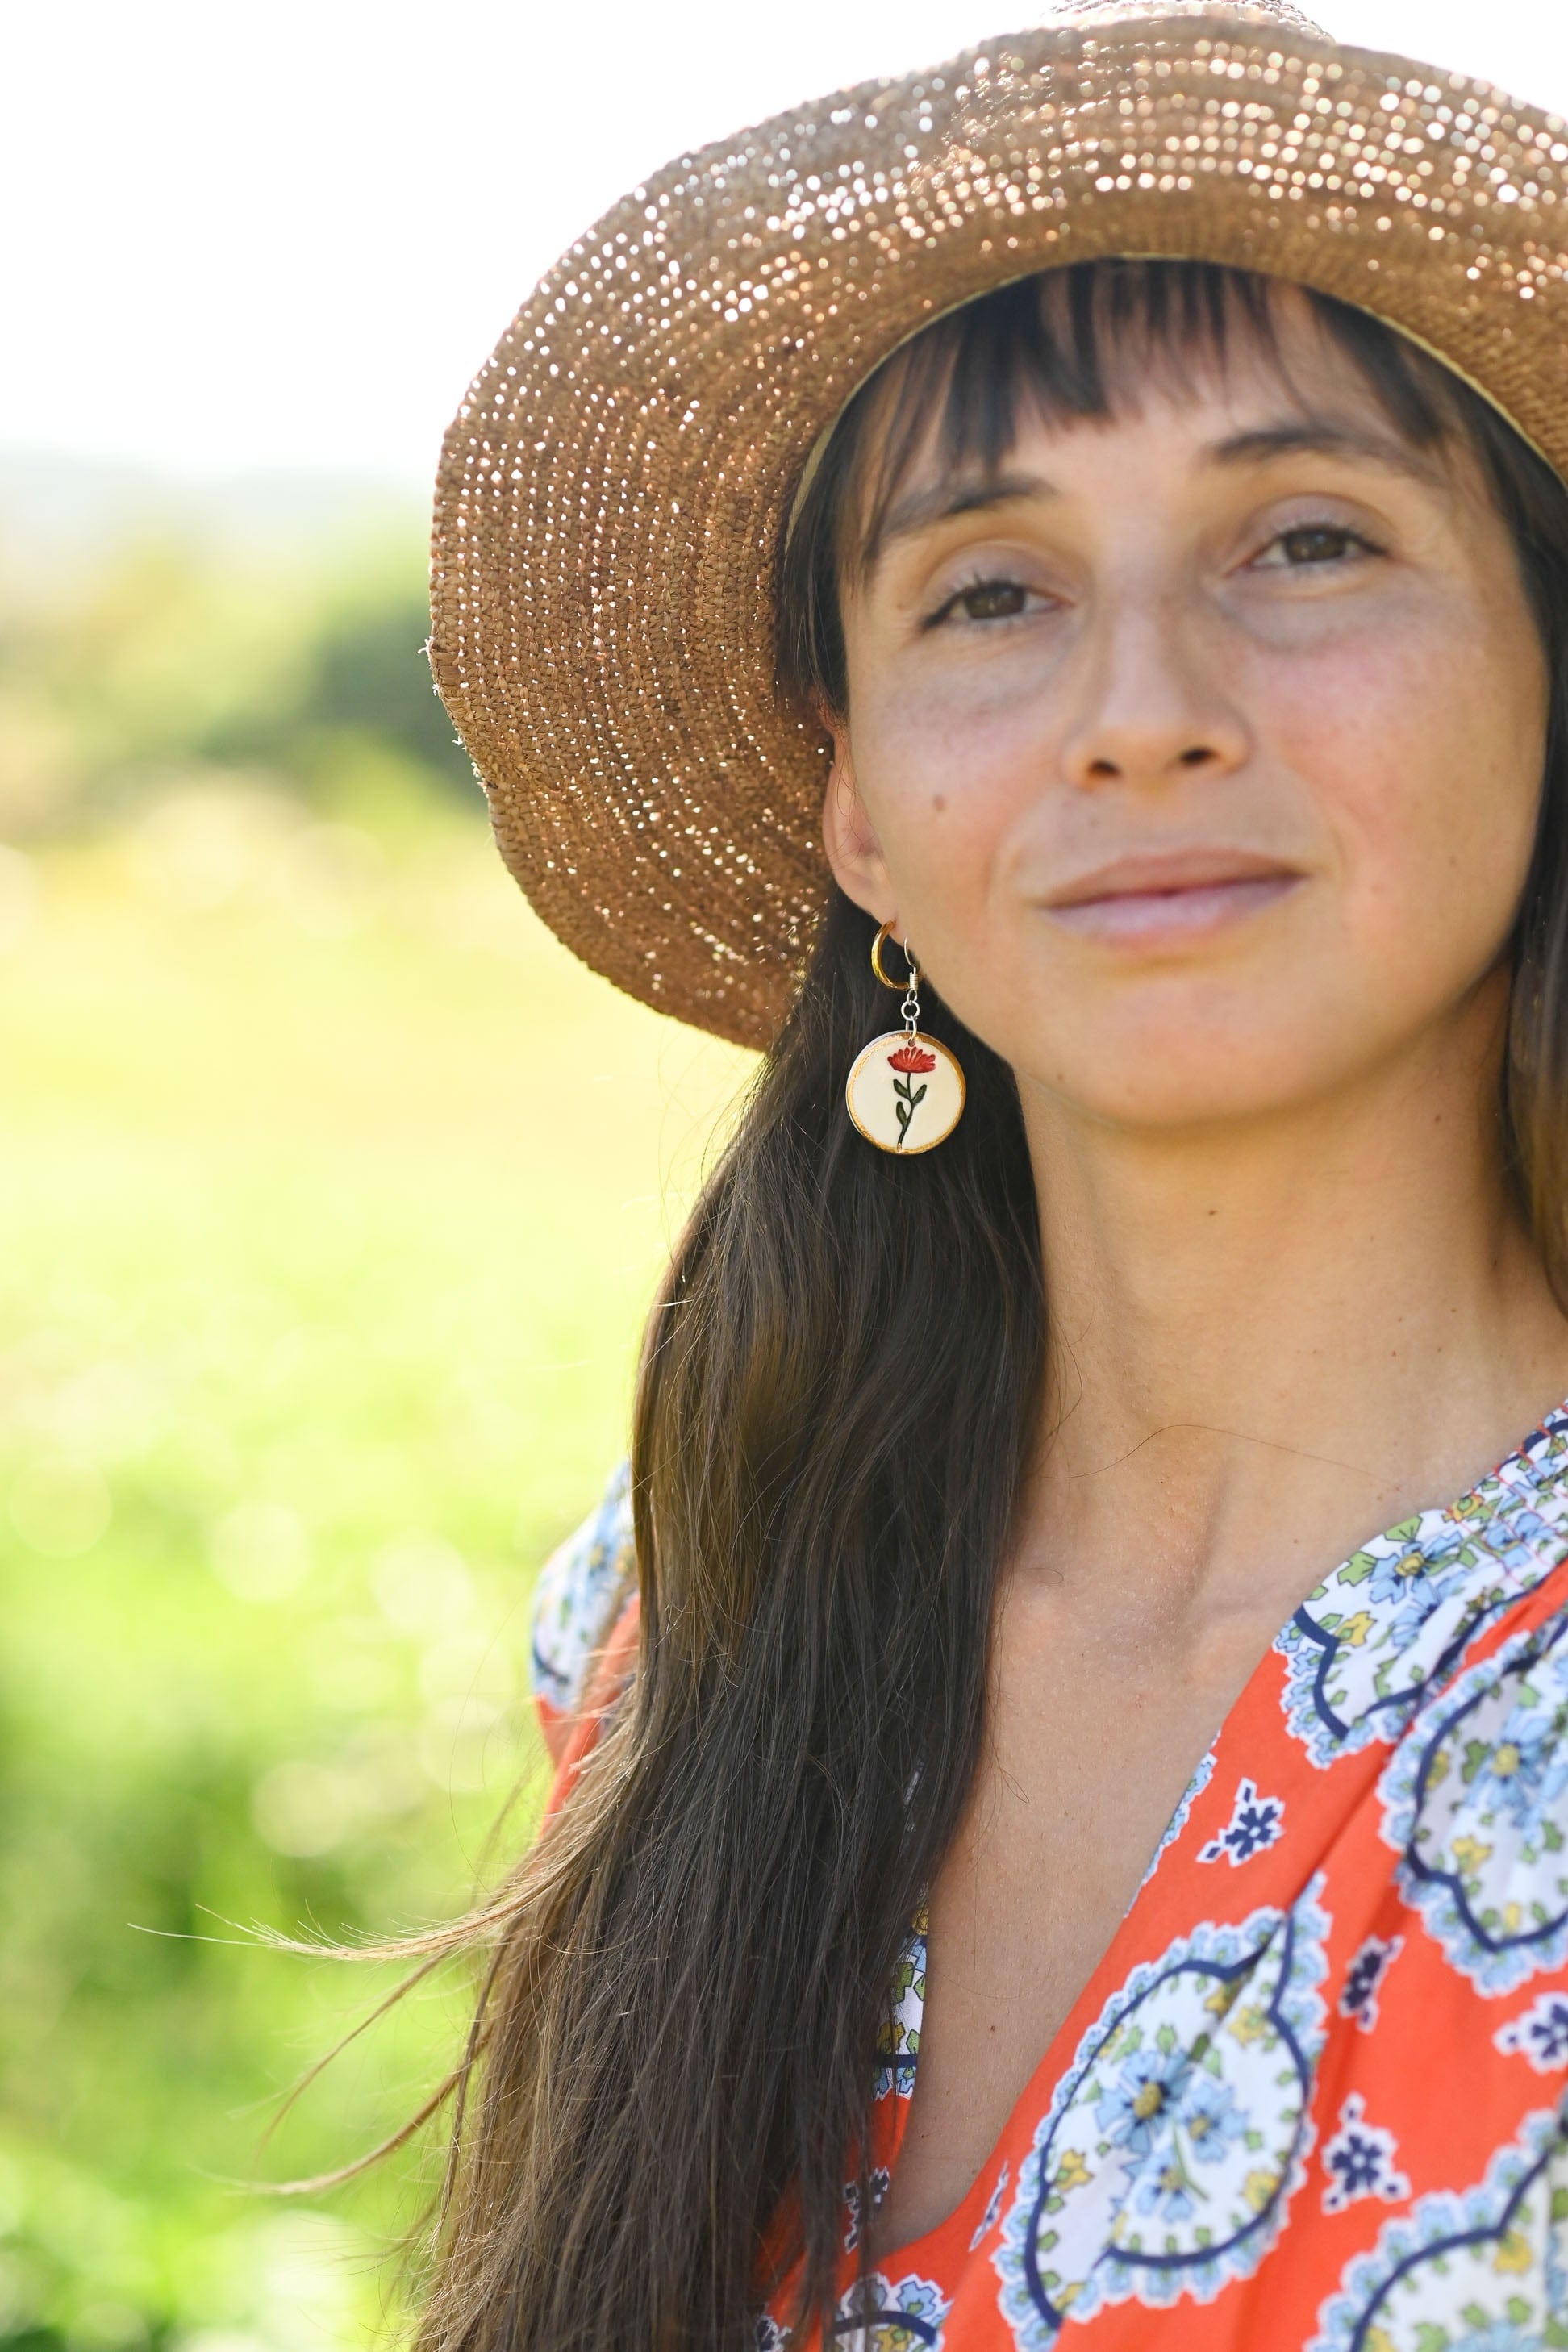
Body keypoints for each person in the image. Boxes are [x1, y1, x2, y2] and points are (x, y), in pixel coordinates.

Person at [414, 1, 1568, 2342]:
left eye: (1312, 538)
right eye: (992, 592)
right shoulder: (676, 1607)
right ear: (858, 808)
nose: (1145, 704)